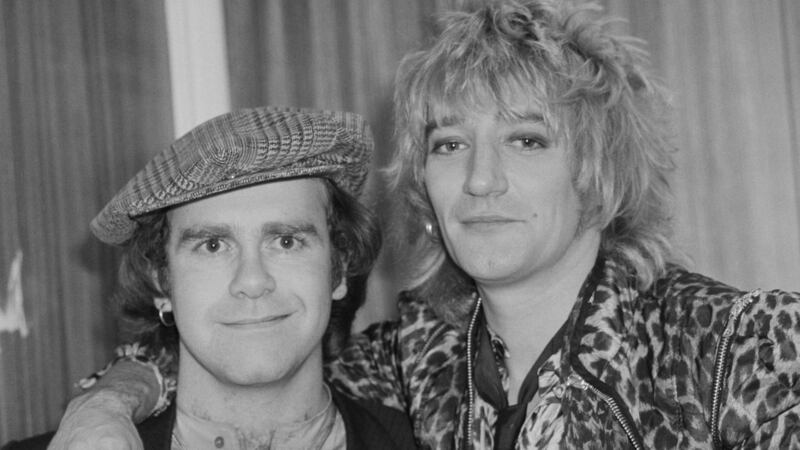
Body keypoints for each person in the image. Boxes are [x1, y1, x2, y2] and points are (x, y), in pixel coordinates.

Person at [39, 0, 800, 448]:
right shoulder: (418, 355)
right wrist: (109, 402)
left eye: (526, 139)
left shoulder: (736, 345)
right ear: (424, 185)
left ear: (597, 170)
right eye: (450, 144)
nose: (481, 178)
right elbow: (241, 346)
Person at [2, 106, 416, 449]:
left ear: (338, 268)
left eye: (286, 241)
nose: (252, 281)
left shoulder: (428, 440)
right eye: (213, 246)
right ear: (161, 282)